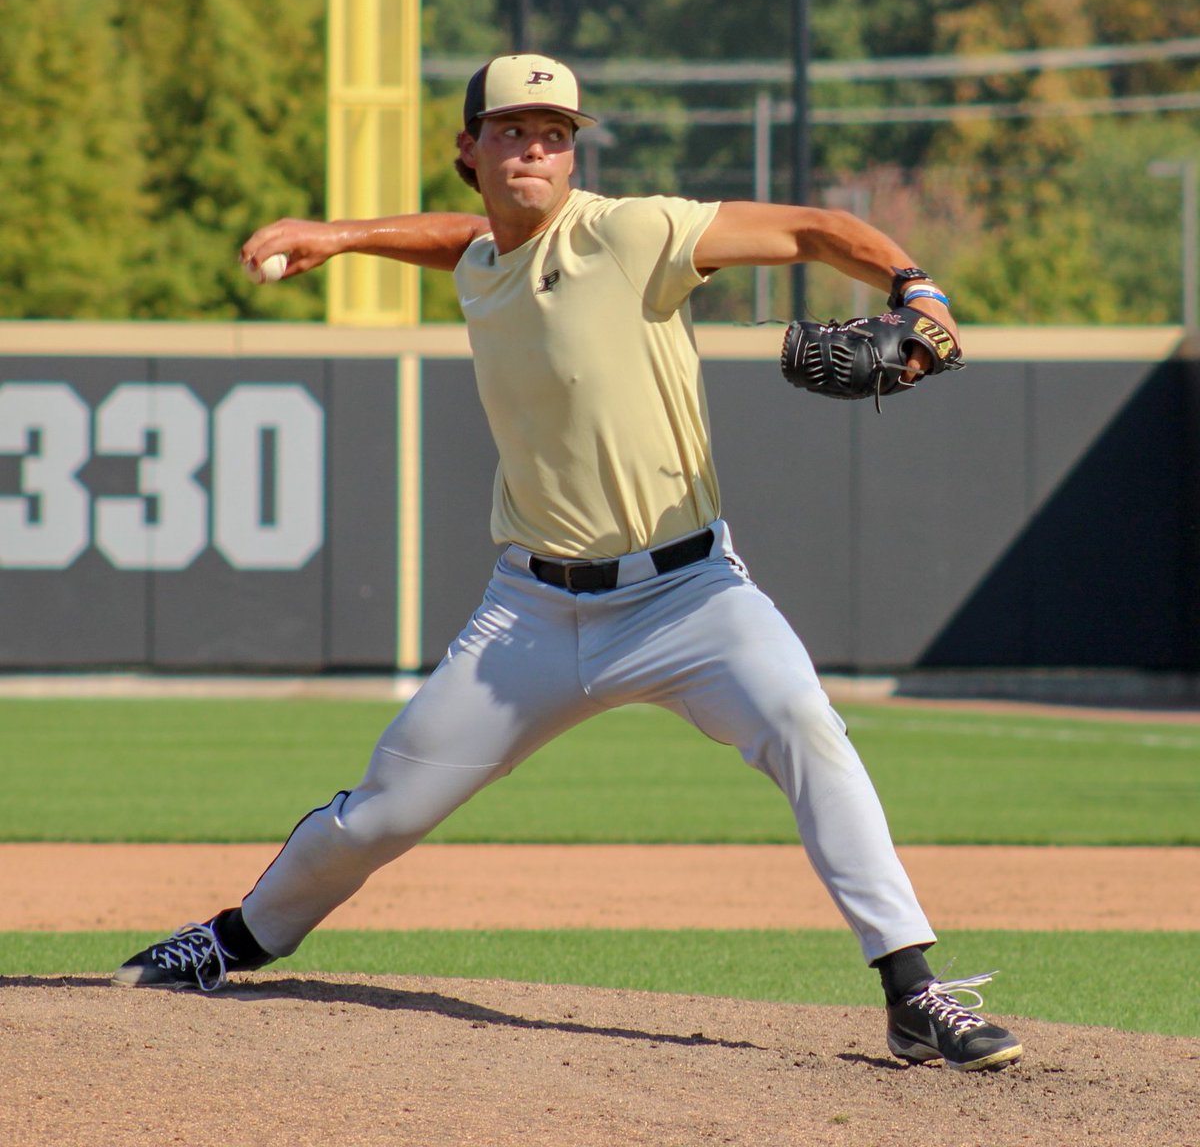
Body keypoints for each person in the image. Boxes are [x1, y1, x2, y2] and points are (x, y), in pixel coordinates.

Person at [114, 53, 1022, 1073]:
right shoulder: (484, 260)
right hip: (530, 619)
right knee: (381, 812)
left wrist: (918, 287)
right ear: (470, 150)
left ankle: (912, 991)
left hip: (691, 596)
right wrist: (345, 236)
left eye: (555, 132)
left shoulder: (632, 231)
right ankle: (233, 941)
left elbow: (813, 228)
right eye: (512, 130)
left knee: (804, 725)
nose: (536, 148)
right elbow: (464, 240)